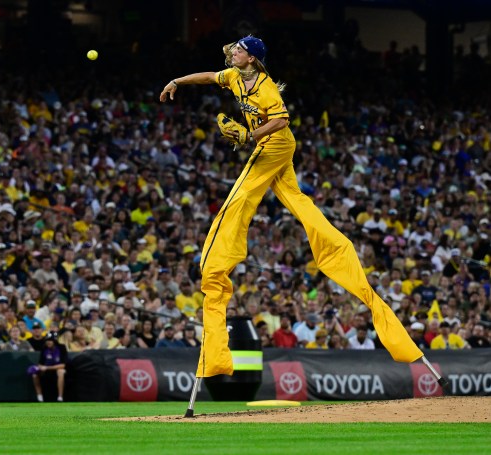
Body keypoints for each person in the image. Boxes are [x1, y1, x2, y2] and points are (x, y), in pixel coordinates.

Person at [160, 35, 421, 377]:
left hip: (274, 145)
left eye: (239, 50)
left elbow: (281, 121)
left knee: (238, 197)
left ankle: (218, 253)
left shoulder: (266, 87)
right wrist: (177, 81)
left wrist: (248, 136)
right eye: (234, 49)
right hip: (277, 147)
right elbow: (210, 76)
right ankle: (334, 244)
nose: (233, 53)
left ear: (252, 58)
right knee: (298, 202)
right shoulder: (235, 77)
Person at [30, 332, 67, 402]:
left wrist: (47, 368)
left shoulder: (61, 347)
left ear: (55, 341)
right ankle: (39, 396)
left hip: (57, 369)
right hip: (46, 371)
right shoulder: (44, 348)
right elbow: (40, 363)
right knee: (34, 374)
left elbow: (63, 365)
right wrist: (38, 368)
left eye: (50, 340)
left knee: (61, 372)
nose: (48, 342)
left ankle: (60, 397)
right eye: (47, 340)